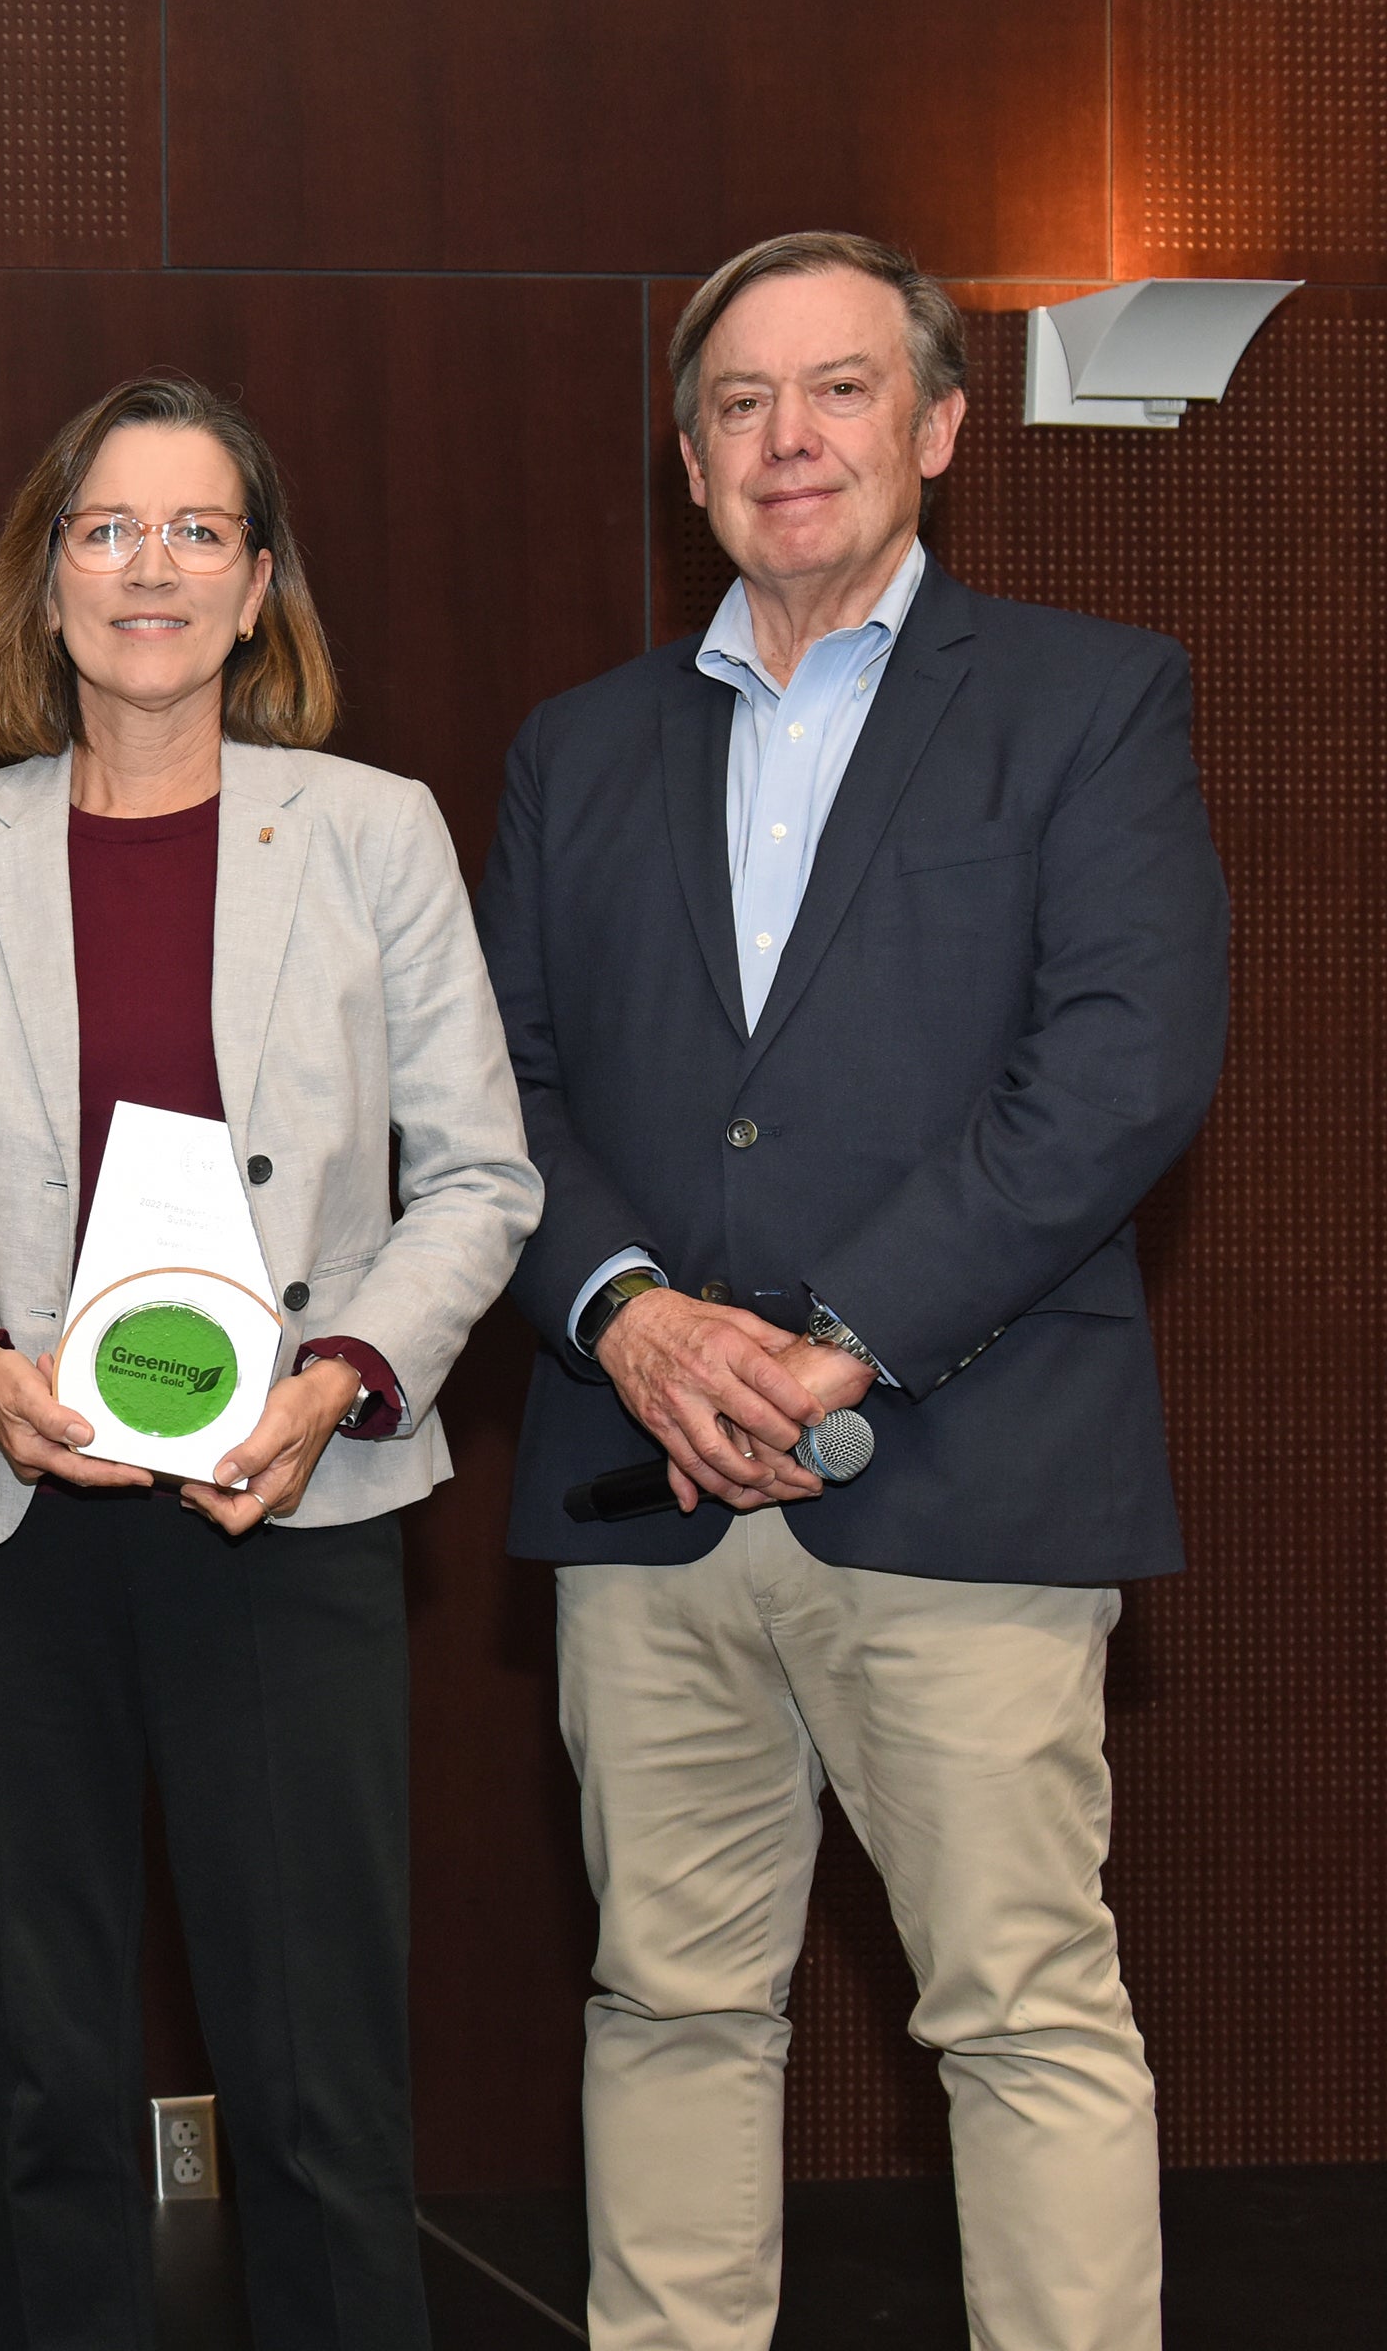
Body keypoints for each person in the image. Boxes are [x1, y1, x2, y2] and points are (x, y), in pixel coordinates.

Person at [478, 231, 1228, 2351]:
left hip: (970, 1476)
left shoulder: (1090, 699)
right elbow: (492, 1090)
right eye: (738, 401)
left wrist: (839, 1340)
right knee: (668, 2006)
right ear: (690, 455)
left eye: (835, 392)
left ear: (938, 431)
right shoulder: (576, 749)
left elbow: (1121, 1068)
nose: (785, 439)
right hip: (646, 1492)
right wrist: (630, 1313)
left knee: (1021, 2013)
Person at [0, 376, 537, 2351]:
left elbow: (478, 1176)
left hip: (285, 1508)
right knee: (44, 2086)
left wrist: (346, 1378)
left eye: (196, 529)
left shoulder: (379, 836)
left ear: (258, 581)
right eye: (106, 530)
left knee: (317, 2084)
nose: (150, 567)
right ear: (46, 585)